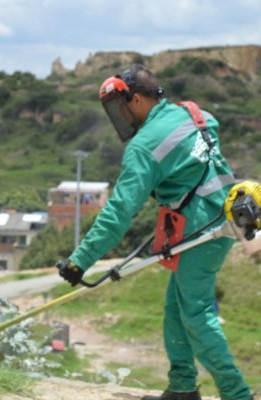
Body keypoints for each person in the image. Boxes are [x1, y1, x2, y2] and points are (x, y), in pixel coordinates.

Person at [56, 64, 253, 400]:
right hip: (225, 212)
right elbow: (211, 129)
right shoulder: (191, 113)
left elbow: (119, 213)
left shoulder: (143, 148)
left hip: (202, 229)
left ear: (134, 100)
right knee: (176, 307)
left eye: (119, 108)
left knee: (196, 313)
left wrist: (79, 262)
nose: (119, 116)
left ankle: (237, 394)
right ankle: (182, 388)